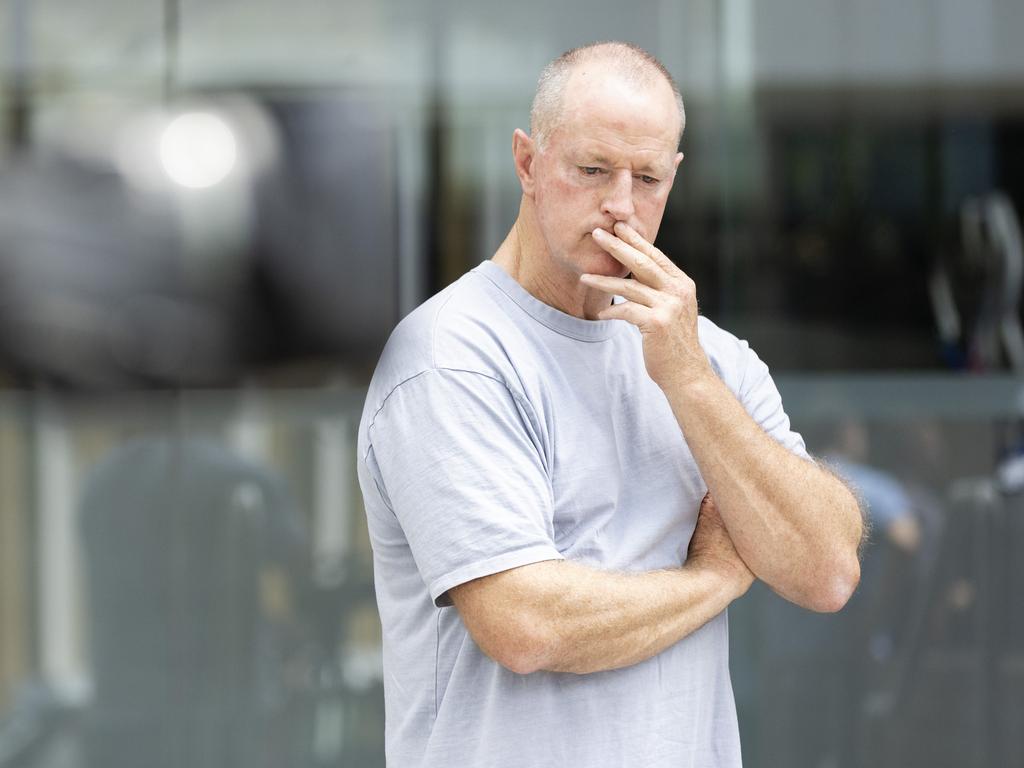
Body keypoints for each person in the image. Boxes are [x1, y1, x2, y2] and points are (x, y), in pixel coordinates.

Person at [356, 41, 864, 767]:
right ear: (528, 163)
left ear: (675, 176)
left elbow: (828, 570)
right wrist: (717, 574)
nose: (620, 206)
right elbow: (527, 625)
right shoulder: (451, 356)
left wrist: (688, 382)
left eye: (648, 177)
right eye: (592, 170)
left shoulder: (705, 355)